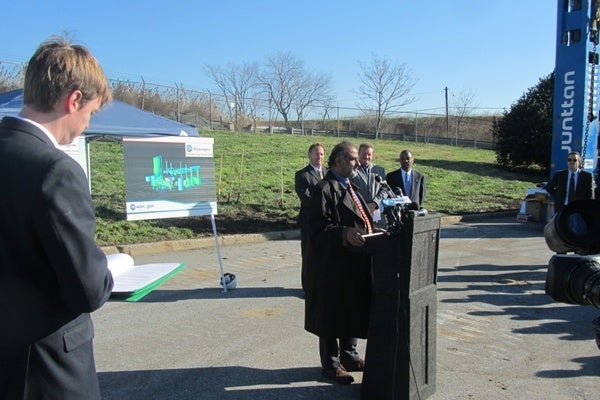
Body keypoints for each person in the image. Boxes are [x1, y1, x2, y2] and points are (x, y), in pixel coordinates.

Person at [0, 35, 114, 399]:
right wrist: (111, 269)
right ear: (74, 99)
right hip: (46, 370)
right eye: (90, 114)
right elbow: (87, 290)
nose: (85, 126)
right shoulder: (55, 170)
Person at [304, 141, 379, 384]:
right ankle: (331, 365)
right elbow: (317, 228)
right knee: (331, 316)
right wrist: (344, 234)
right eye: (352, 159)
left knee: (350, 309)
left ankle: (349, 355)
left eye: (356, 159)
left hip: (352, 264)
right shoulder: (324, 189)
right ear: (337, 160)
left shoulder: (351, 185)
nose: (357, 163)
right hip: (331, 267)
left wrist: (370, 229)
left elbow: (357, 217)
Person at [294, 143, 327, 292]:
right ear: (309, 155)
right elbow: (307, 199)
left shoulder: (329, 173)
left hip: (326, 223)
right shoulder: (302, 175)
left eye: (321, 154)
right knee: (309, 256)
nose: (318, 156)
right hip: (310, 223)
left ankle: (322, 286)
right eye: (316, 153)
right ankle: (308, 289)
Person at [351, 142, 388, 215]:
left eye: (369, 154)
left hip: (376, 211)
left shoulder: (379, 170)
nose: (366, 157)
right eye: (364, 154)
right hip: (358, 211)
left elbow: (385, 189)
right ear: (358, 154)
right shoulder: (352, 170)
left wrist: (374, 203)